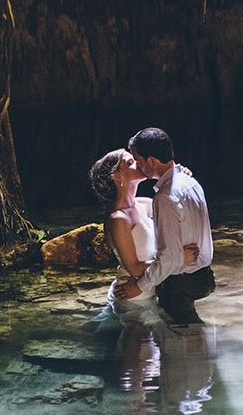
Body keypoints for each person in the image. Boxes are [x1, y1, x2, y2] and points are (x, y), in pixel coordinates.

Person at [116, 127, 215, 325]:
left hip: (181, 283)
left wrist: (139, 287)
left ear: (151, 161)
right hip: (204, 276)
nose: (137, 165)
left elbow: (168, 259)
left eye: (139, 160)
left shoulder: (164, 198)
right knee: (194, 339)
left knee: (182, 340)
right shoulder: (190, 182)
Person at [88, 147, 199, 313]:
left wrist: (179, 176)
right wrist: (180, 259)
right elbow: (133, 267)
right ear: (116, 176)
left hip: (151, 288)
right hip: (131, 296)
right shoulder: (118, 218)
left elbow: (179, 213)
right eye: (131, 162)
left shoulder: (145, 204)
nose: (140, 163)